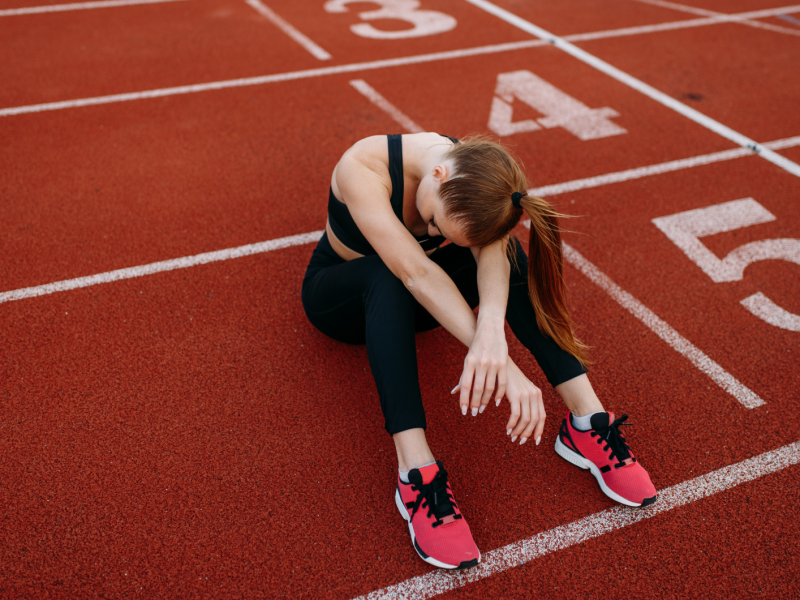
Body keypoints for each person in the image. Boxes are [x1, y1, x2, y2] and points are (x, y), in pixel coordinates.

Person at [301, 132, 657, 570]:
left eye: (438, 231)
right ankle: (416, 473)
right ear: (438, 174)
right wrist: (503, 366)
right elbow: (416, 272)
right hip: (344, 302)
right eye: (433, 222)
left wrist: (492, 327)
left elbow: (491, 255)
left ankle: (587, 421)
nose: (431, 231)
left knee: (510, 251)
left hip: (421, 300)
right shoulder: (364, 166)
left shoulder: (478, 176)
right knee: (387, 277)